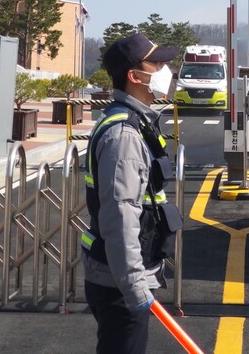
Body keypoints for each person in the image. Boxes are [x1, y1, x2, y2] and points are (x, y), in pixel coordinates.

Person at [82, 33, 179, 354]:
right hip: (119, 285)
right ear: (135, 76)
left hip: (119, 278)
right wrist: (135, 286)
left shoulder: (136, 123)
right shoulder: (124, 135)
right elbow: (120, 216)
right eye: (158, 64)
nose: (166, 70)